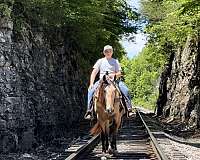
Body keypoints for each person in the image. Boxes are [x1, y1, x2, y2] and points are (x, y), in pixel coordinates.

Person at [84, 45, 134, 120]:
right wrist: (91, 83)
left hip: (114, 80)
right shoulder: (100, 61)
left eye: (110, 51)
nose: (108, 52)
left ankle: (129, 109)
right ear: (104, 52)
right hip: (102, 80)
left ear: (112, 52)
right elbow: (94, 72)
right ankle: (89, 111)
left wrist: (113, 75)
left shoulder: (115, 61)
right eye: (106, 51)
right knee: (91, 90)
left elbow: (120, 73)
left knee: (125, 90)